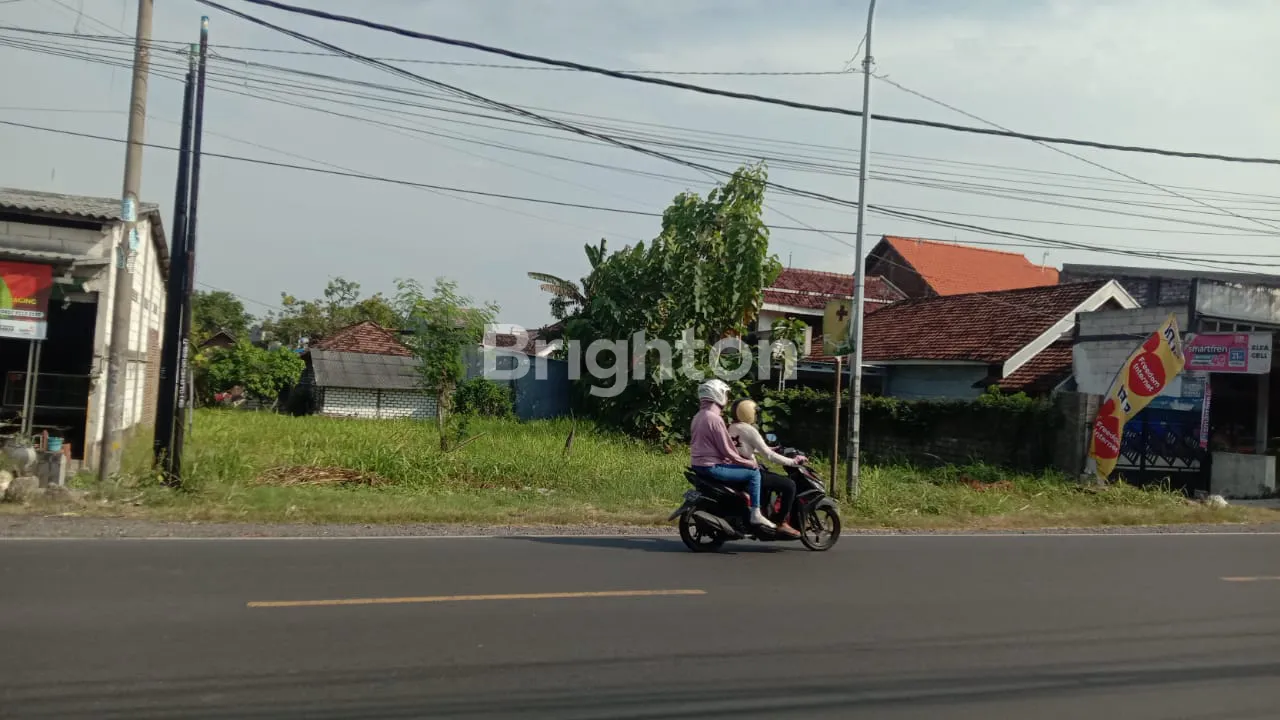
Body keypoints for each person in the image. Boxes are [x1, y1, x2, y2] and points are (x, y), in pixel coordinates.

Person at [689, 379, 775, 529]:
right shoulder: (715, 419)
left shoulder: (698, 416)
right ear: (718, 394)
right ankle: (756, 513)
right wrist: (748, 463)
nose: (727, 398)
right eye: (726, 394)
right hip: (712, 467)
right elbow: (727, 450)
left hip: (698, 465)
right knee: (754, 474)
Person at [729, 398, 804, 538]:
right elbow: (769, 456)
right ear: (748, 413)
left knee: (769, 479)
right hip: (748, 471)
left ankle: (766, 514)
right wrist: (793, 462)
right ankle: (781, 522)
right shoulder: (749, 430)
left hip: (735, 470)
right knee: (789, 485)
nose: (756, 416)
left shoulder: (731, 427)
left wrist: (771, 448)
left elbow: (747, 447)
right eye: (755, 413)